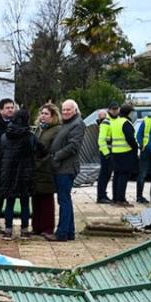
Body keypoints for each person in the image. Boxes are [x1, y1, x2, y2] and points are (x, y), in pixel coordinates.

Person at [0, 113, 36, 238]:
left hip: (8, 173)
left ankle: (8, 229)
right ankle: (25, 229)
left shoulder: (5, 136)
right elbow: (38, 151)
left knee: (9, 203)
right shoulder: (30, 137)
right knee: (25, 203)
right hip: (25, 174)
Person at [49, 99, 85, 242]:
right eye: (63, 109)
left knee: (64, 200)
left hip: (66, 167)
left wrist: (56, 156)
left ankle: (62, 233)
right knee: (65, 199)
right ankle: (69, 232)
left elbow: (73, 146)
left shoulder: (77, 124)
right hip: (62, 167)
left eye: (68, 110)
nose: (65, 112)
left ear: (75, 110)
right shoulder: (67, 123)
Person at [31, 103, 61, 237]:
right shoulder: (39, 129)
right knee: (36, 199)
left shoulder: (56, 130)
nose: (43, 116)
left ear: (53, 116)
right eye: (42, 113)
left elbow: (52, 150)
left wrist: (42, 162)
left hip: (47, 168)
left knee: (47, 200)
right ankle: (36, 227)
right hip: (36, 169)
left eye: (46, 114)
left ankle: (47, 228)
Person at [110, 104, 139, 205]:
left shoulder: (115, 121)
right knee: (123, 176)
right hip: (125, 153)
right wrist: (136, 147)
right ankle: (121, 199)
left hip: (115, 152)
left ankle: (115, 198)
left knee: (117, 176)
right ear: (129, 113)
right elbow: (130, 139)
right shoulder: (126, 123)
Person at [95, 102, 121, 204]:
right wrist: (106, 154)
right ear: (109, 110)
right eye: (113, 109)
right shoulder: (106, 122)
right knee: (104, 175)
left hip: (115, 152)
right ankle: (101, 196)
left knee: (108, 175)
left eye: (116, 109)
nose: (115, 111)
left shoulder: (117, 120)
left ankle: (103, 194)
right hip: (107, 153)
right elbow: (101, 140)